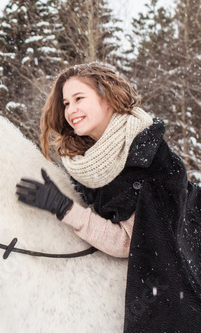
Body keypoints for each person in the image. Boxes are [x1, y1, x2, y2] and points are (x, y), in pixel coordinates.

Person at [16, 62, 201, 332]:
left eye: (79, 98)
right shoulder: (88, 165)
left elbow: (131, 241)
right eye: (66, 103)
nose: (71, 110)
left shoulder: (147, 157)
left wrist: (65, 209)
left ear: (108, 98)